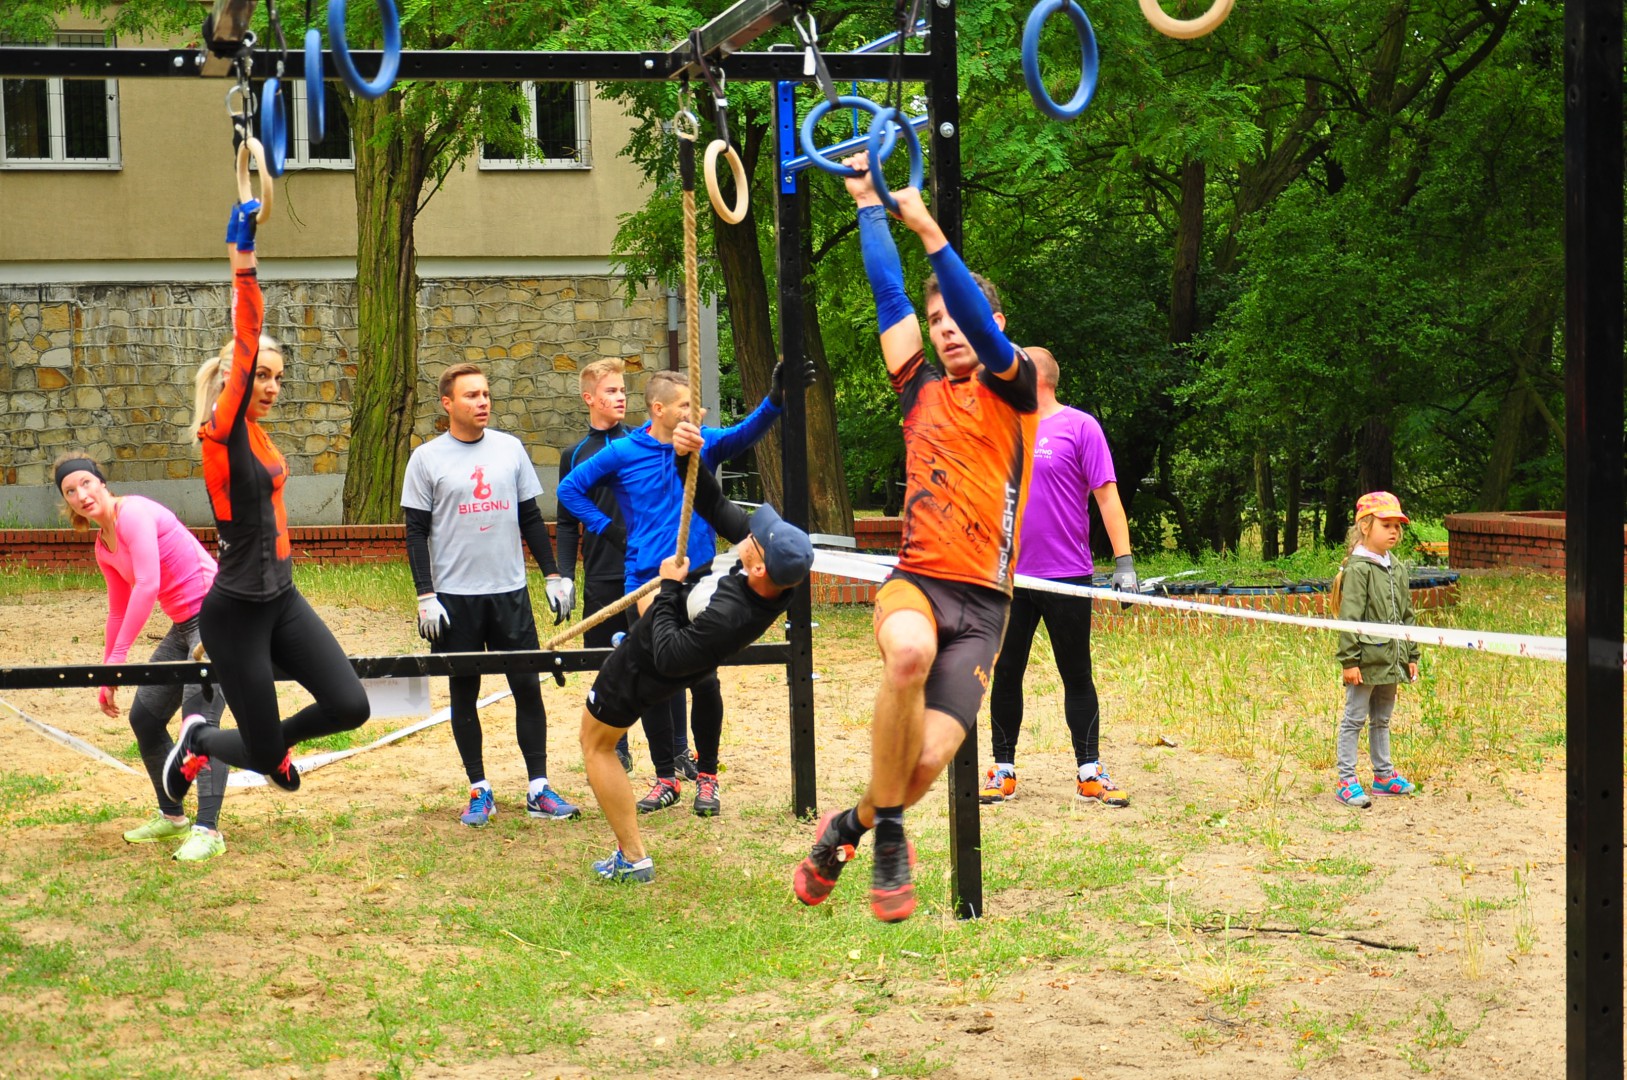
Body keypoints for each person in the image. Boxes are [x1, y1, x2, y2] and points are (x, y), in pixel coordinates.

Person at [793, 160, 1037, 923]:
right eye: (937, 324)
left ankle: (851, 826)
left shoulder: (1013, 385)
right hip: (918, 584)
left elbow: (958, 298)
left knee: (927, 762)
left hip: (983, 609)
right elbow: (888, 295)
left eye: (958, 318)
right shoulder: (917, 391)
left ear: (991, 327)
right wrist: (868, 203)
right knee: (906, 657)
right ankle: (890, 830)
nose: (945, 329)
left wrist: (930, 232)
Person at [161, 197, 371, 803]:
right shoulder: (221, 436)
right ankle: (200, 740)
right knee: (256, 754)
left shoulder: (256, 434)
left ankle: (264, 746)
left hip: (281, 596)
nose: (272, 386)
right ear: (233, 382)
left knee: (349, 705)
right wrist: (242, 255)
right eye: (262, 375)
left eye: (279, 377)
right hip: (235, 613)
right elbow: (247, 331)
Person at [580, 424, 814, 881]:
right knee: (598, 744)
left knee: (596, 746)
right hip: (656, 647)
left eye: (757, 536)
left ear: (761, 563)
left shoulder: (731, 613)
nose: (749, 532)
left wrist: (668, 588)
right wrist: (690, 455)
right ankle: (632, 852)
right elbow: (712, 502)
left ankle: (633, 857)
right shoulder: (765, 571)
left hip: (645, 668)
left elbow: (669, 656)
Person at [556, 367, 787, 818]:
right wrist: (613, 532)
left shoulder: (703, 444)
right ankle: (665, 778)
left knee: (704, 679)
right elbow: (569, 489)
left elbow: (748, 432)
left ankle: (707, 777)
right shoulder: (624, 452)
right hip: (646, 578)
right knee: (653, 681)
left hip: (700, 578)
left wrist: (775, 398)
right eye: (684, 405)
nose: (693, 413)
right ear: (659, 409)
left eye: (694, 405)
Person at [402, 362, 578, 827]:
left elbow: (530, 519)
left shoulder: (510, 449)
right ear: (447, 404)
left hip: (509, 593)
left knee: (527, 688)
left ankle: (539, 787)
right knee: (464, 691)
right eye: (471, 396)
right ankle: (479, 788)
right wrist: (425, 595)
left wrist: (553, 575)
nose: (482, 402)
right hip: (455, 599)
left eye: (485, 394)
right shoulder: (427, 459)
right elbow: (416, 533)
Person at [980, 347, 1137, 808]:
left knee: (1077, 673)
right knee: (1006, 672)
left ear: (1035, 376)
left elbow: (1107, 498)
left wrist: (1124, 564)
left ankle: (1089, 771)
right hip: (1011, 577)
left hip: (1068, 576)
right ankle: (1003, 768)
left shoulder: (1080, 426)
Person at [55, 453, 231, 863]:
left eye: (85, 483)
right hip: (184, 625)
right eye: (70, 491)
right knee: (146, 718)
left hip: (217, 617)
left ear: (101, 482)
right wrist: (107, 674)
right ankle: (173, 816)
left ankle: (209, 830)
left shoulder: (133, 514)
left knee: (199, 727)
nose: (81, 495)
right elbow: (118, 611)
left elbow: (148, 584)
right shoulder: (104, 545)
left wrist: (118, 659)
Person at [554, 358, 636, 773]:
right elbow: (568, 523)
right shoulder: (574, 456)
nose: (620, 397)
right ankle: (615, 742)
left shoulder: (640, 443)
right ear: (589, 398)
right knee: (606, 664)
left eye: (623, 390)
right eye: (610, 391)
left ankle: (674, 749)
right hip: (602, 574)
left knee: (658, 658)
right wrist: (565, 575)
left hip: (644, 572)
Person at [1331, 491, 1420, 808]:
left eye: (1398, 525)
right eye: (1387, 524)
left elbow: (1407, 614)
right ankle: (1346, 780)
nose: (1394, 531)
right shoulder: (1358, 569)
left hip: (1391, 660)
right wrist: (1350, 661)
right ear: (1366, 527)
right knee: (1354, 718)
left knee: (1382, 719)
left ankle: (1383, 776)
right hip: (1365, 661)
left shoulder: (1396, 567)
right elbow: (1350, 617)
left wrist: (1411, 654)